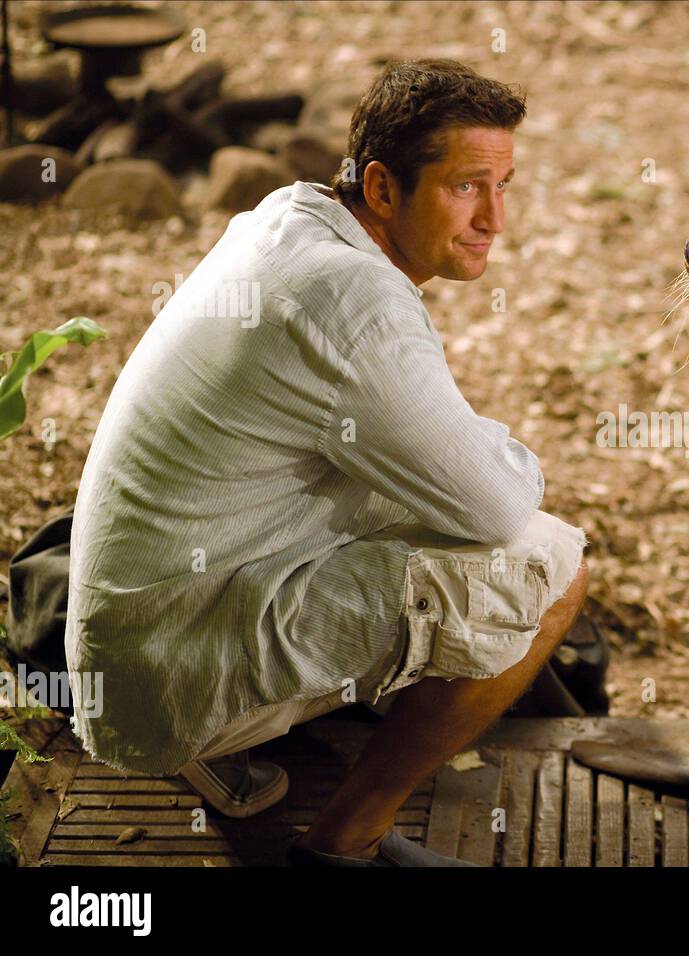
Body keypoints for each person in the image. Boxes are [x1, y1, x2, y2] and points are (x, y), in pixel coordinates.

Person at [64, 59, 590, 867]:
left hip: (131, 634)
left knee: (421, 502)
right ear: (381, 188)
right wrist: (496, 451)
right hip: (163, 672)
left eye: (505, 185)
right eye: (467, 187)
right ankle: (348, 842)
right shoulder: (353, 301)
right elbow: (496, 509)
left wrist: (453, 445)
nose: (496, 219)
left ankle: (236, 738)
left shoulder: (290, 217)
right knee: (549, 563)